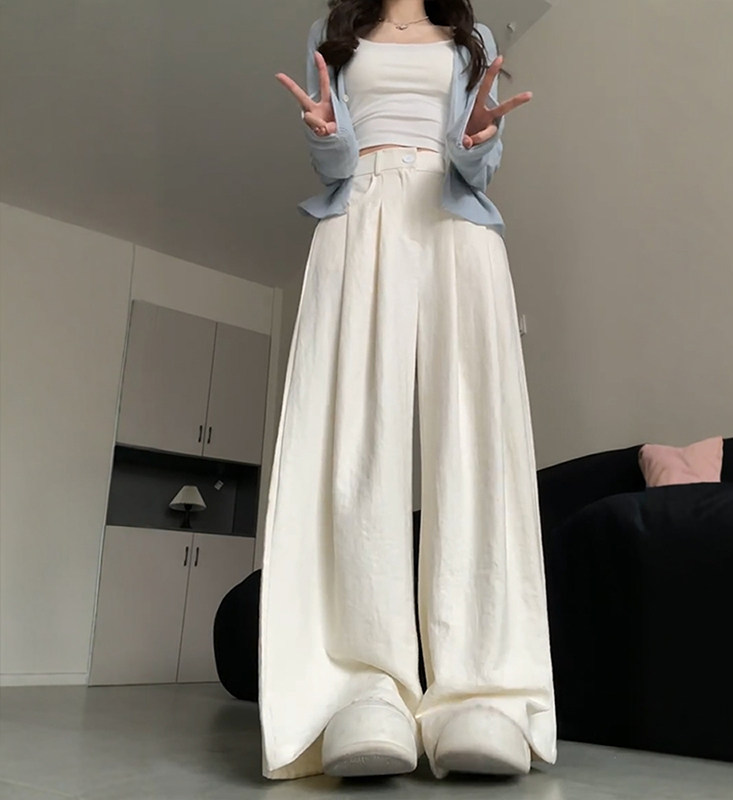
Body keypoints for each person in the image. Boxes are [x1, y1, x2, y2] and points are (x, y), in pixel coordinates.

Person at [260, 0, 557, 781]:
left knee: (475, 441)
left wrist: (477, 141)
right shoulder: (335, 34)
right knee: (355, 441)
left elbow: (476, 164)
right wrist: (326, 137)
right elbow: (334, 160)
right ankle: (363, 688)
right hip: (358, 216)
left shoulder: (472, 39)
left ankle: (482, 690)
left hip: (456, 223)